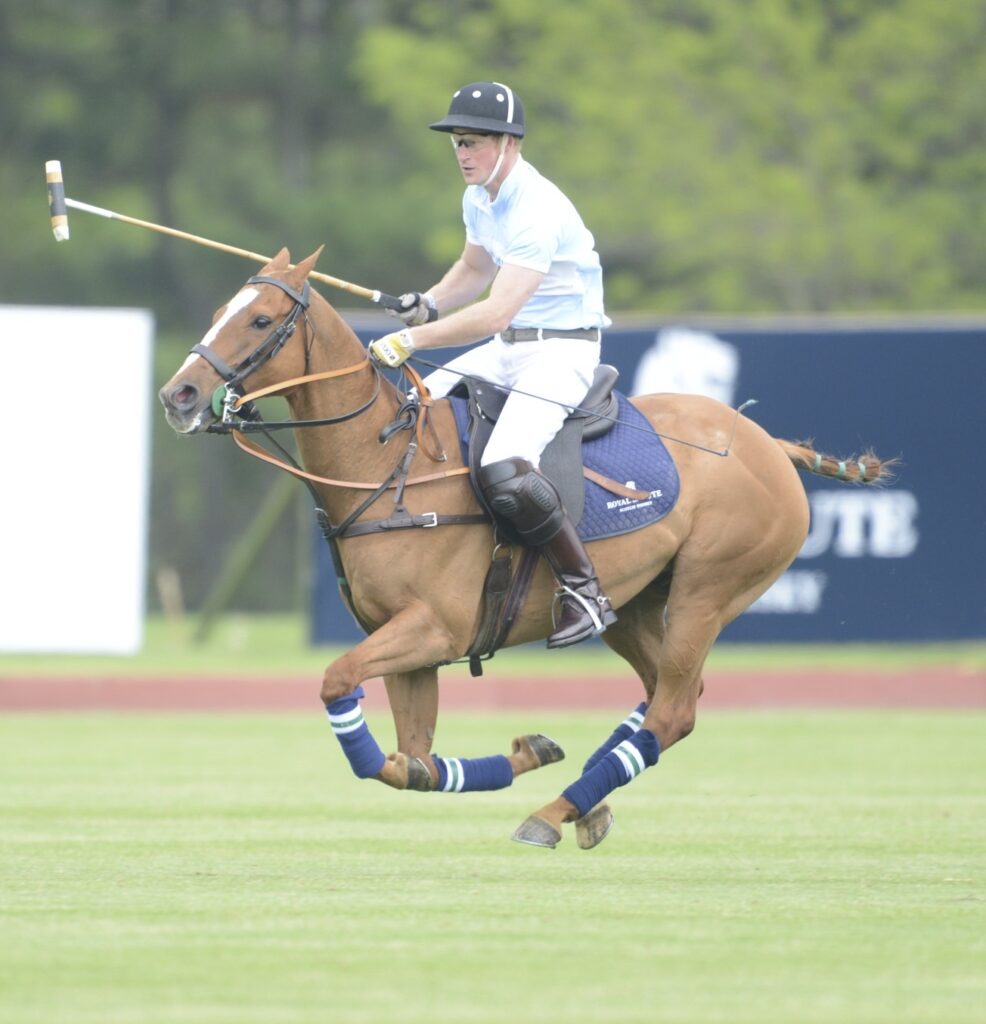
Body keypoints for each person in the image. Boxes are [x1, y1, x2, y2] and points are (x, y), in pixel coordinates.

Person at [368, 80, 616, 648]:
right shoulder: (479, 196)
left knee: (505, 464)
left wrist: (413, 339)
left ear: (510, 143)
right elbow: (474, 271)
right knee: (415, 410)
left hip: (564, 350)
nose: (462, 154)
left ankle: (585, 591)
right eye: (457, 142)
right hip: (510, 347)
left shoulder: (538, 208)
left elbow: (495, 309)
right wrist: (428, 302)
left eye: (473, 142)